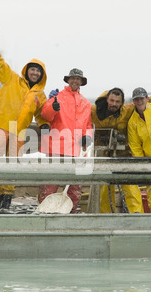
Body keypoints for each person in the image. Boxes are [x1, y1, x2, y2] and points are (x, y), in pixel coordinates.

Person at [0, 29, 49, 209]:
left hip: (19, 134)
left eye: (38, 71)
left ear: (42, 75)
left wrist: (44, 125)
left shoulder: (40, 94)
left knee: (12, 170)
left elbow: (41, 114)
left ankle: (4, 204)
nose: (35, 73)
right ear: (27, 70)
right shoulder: (11, 78)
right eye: (32, 69)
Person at [92, 84, 151, 213]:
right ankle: (106, 216)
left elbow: (147, 101)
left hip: (124, 154)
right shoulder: (93, 112)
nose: (114, 104)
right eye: (112, 100)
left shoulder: (127, 110)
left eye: (117, 102)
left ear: (122, 103)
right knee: (103, 189)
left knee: (130, 187)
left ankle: (137, 215)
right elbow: (76, 112)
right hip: (104, 154)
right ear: (107, 99)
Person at [38, 68, 93, 213]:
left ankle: (71, 211)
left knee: (75, 187)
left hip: (76, 151)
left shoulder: (86, 104)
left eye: (78, 79)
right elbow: (45, 115)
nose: (75, 81)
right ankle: (45, 211)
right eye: (73, 78)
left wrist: (88, 137)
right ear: (68, 80)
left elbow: (88, 125)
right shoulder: (57, 96)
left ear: (81, 82)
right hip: (56, 148)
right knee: (50, 184)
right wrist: (52, 107)